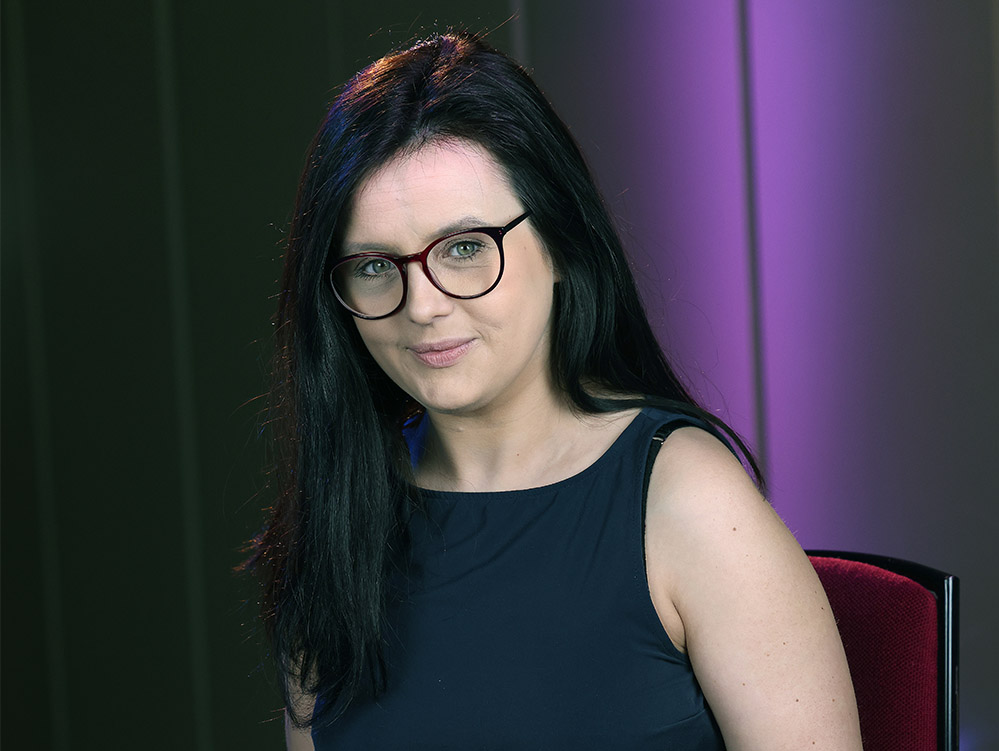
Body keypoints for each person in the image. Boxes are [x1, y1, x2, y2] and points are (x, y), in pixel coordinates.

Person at [246, 30, 862, 750]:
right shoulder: (339, 519)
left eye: (465, 248)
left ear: (562, 243)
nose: (423, 306)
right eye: (376, 265)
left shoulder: (688, 504)